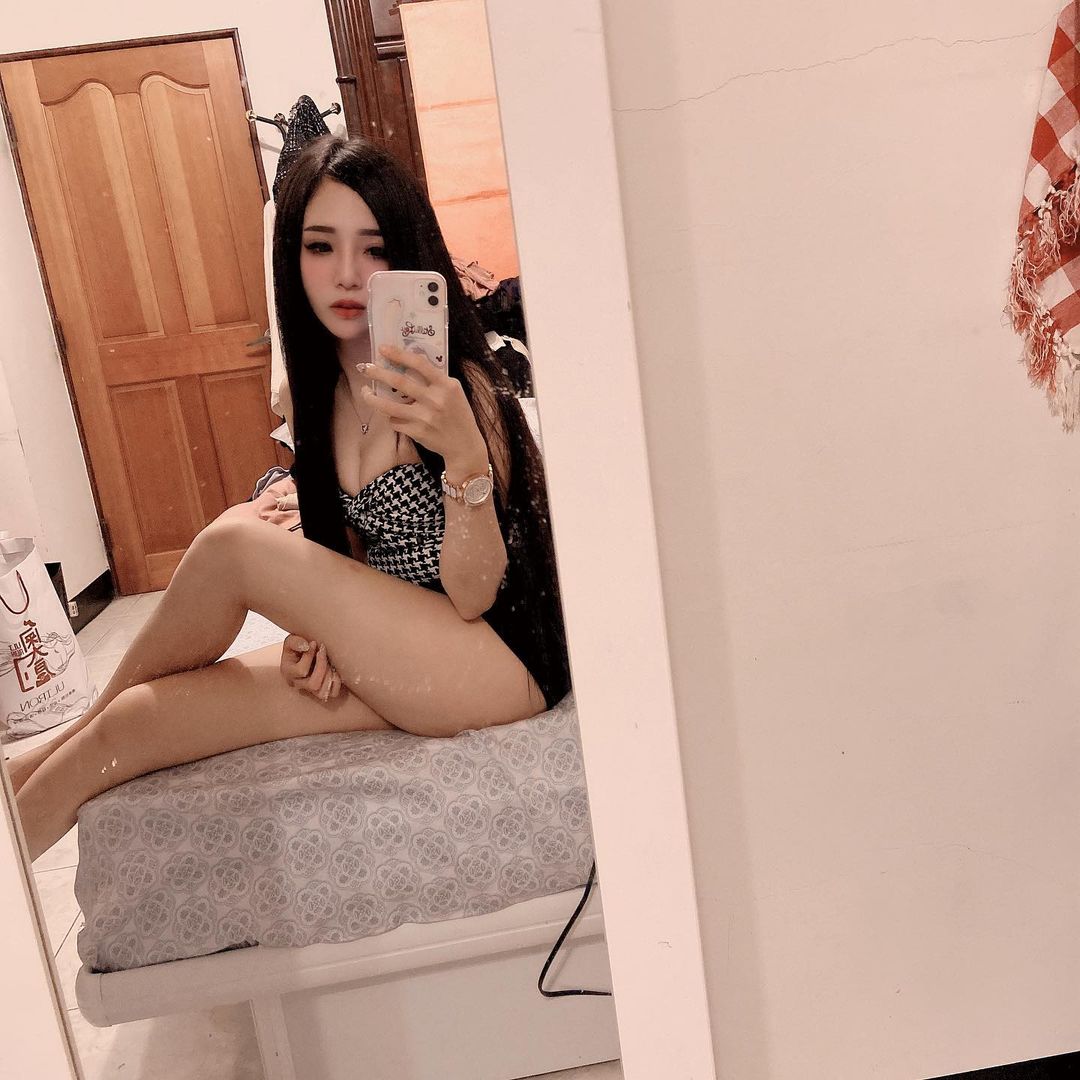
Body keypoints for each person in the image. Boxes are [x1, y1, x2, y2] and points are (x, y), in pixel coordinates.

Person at [10, 136, 571, 863]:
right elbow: (358, 560)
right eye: (319, 246)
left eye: (373, 249)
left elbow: (473, 596)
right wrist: (320, 638)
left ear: (406, 259)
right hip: (407, 647)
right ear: (291, 259)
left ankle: (62, 738)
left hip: (499, 659)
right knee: (135, 726)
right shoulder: (320, 393)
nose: (346, 273)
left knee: (233, 543)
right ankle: (39, 822)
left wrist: (463, 457)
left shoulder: (458, 389)